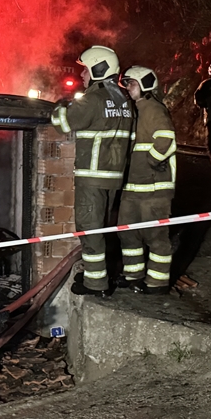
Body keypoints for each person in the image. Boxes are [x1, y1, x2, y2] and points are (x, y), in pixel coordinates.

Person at [50, 45, 133, 296]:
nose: (82, 76)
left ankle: (96, 284)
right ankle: (98, 277)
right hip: (114, 176)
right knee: (101, 228)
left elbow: (62, 124)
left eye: (85, 70)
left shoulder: (93, 100)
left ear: (98, 68)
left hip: (92, 177)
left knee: (89, 228)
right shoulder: (123, 99)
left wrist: (58, 106)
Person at [118, 66, 176, 293]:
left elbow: (166, 139)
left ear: (145, 85)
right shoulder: (136, 110)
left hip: (154, 187)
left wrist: (152, 161)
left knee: (156, 236)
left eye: (131, 84)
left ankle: (157, 282)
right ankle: (133, 275)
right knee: (127, 232)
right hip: (132, 186)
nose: (128, 88)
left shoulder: (153, 108)